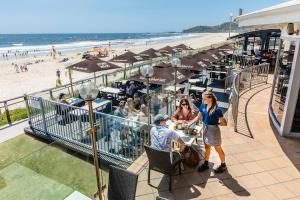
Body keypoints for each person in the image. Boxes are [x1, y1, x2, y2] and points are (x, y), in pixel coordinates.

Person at [188, 91, 227, 173]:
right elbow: (198, 117)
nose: (202, 100)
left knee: (218, 149)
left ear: (210, 99)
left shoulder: (217, 110)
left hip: (214, 131)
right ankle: (206, 164)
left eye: (204, 99)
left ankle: (223, 165)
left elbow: (224, 123)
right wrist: (189, 123)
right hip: (205, 128)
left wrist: (216, 124)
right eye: (202, 98)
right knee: (207, 147)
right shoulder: (203, 105)